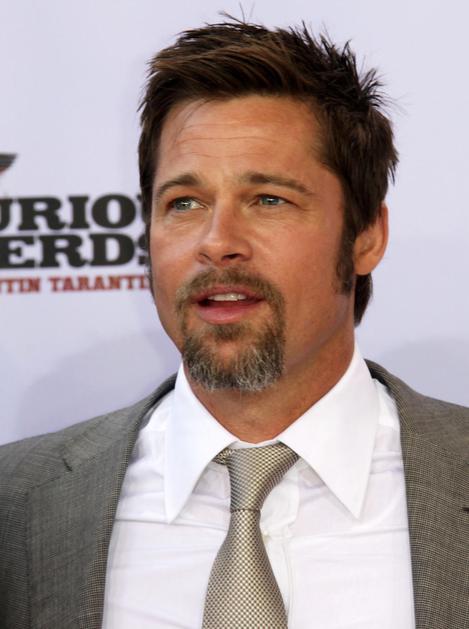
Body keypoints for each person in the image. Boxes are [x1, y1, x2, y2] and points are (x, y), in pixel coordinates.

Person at [0, 18, 467, 629]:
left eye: (269, 199)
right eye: (184, 203)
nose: (217, 242)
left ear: (366, 236)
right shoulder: (17, 506)